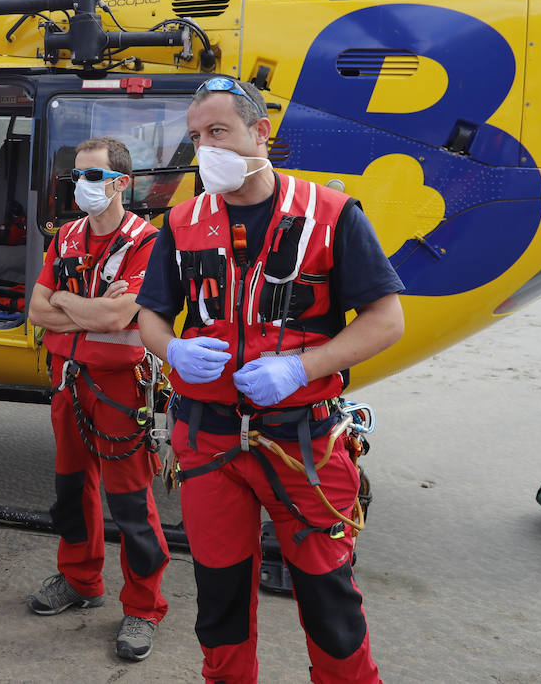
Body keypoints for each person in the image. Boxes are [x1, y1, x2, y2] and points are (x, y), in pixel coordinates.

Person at [136, 77, 405, 684]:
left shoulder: (333, 215)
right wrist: (173, 350)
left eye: (218, 133)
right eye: (196, 137)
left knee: (329, 599)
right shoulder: (180, 222)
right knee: (220, 599)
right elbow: (149, 314)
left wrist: (301, 367)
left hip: (304, 440)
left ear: (262, 132)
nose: (206, 150)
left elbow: (387, 320)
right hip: (208, 444)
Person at [25, 136, 169, 662]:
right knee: (71, 489)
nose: (80, 185)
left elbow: (117, 318)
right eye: (77, 176)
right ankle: (80, 579)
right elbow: (37, 311)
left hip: (119, 389)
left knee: (130, 502)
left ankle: (144, 606)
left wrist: (67, 301)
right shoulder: (64, 237)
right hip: (67, 380)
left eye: (92, 175)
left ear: (121, 183)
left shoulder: (149, 242)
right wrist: (76, 302)